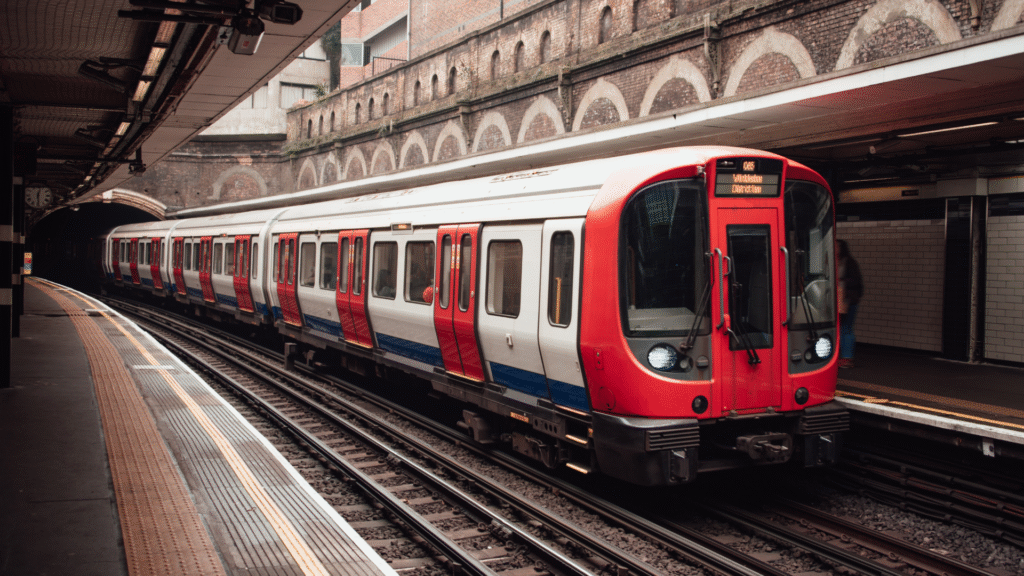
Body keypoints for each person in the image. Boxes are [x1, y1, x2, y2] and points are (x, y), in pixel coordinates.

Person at [837, 240, 863, 368]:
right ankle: (841, 356)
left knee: (846, 328)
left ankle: (847, 358)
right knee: (842, 329)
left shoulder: (849, 262)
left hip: (848, 300)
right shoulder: (839, 261)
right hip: (841, 299)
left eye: (837, 246)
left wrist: (839, 279)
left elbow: (855, 281)